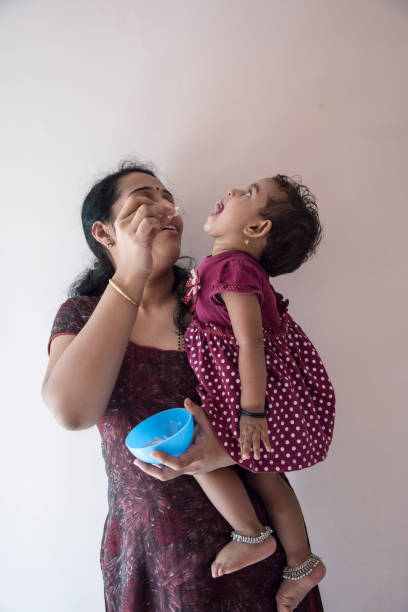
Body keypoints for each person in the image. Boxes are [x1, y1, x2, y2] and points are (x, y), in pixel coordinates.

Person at [42, 161, 324, 612]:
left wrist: (229, 449)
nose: (163, 208)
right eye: (142, 201)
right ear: (104, 233)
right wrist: (133, 270)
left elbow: (290, 404)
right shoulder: (80, 315)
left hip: (256, 558)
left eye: (166, 199)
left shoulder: (218, 299)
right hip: (153, 559)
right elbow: (72, 412)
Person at [181, 175, 335, 609]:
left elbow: (251, 344)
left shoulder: (232, 269)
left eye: (248, 194)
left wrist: (251, 412)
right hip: (245, 393)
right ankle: (303, 562)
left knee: (195, 455)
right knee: (265, 476)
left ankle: (252, 535)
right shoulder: (228, 269)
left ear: (256, 229)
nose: (231, 192)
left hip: (250, 397)